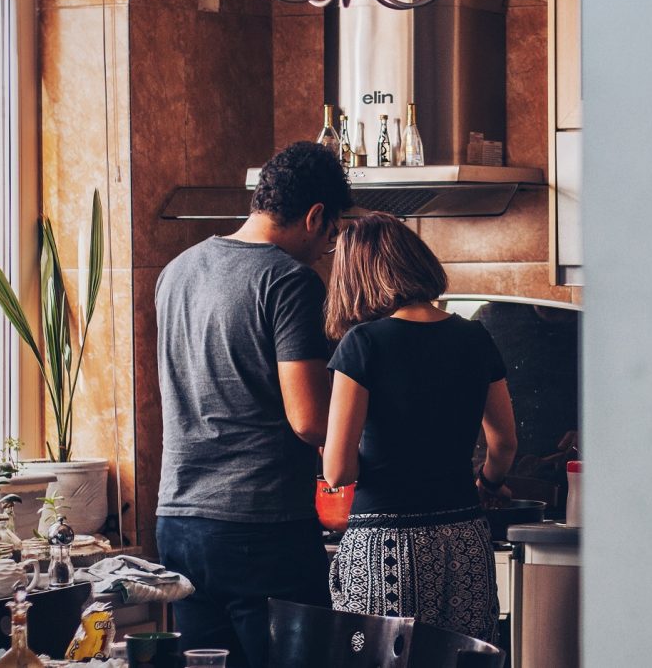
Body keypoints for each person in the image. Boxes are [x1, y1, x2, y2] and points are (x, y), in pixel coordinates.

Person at [154, 142, 352, 667]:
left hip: (178, 520)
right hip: (258, 527)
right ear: (315, 217)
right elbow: (310, 421)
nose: (325, 250)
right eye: (331, 237)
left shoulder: (176, 271)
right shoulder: (289, 281)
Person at [322, 212, 518, 643]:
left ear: (356, 276)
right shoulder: (475, 337)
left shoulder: (364, 343)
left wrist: (336, 452)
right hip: (464, 537)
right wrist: (487, 483)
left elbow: (338, 472)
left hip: (385, 545)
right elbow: (503, 442)